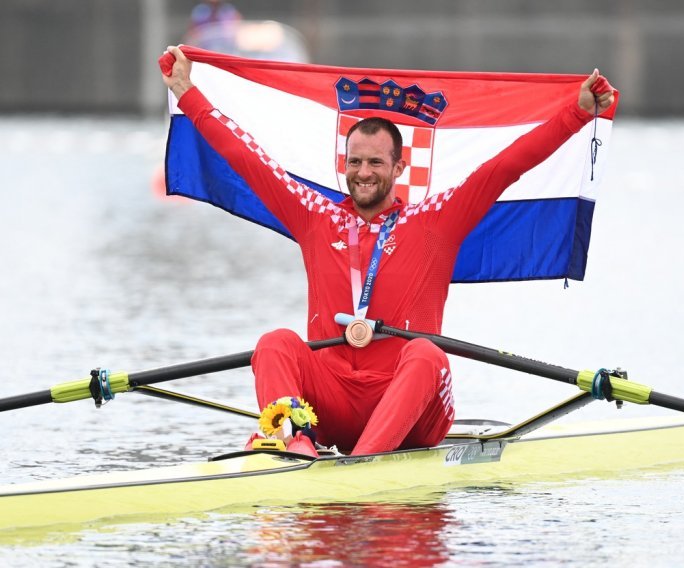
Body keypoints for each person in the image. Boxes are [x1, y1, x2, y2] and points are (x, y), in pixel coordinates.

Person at [160, 46, 614, 456]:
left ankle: (364, 463)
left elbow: (506, 166)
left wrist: (575, 115)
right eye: (354, 162)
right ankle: (293, 442)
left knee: (427, 354)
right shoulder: (314, 215)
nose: (362, 173)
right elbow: (246, 158)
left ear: (399, 166)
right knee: (274, 344)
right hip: (332, 403)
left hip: (411, 408)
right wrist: (186, 92)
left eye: (375, 162)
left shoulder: (436, 218)